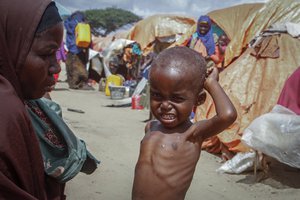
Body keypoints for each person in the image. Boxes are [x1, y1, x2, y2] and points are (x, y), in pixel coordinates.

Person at [0, 1, 93, 199]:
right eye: (46, 54)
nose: (57, 68)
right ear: (9, 46)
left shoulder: (27, 102)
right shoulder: (7, 112)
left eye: (56, 54)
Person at [132, 46, 237, 200]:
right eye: (157, 95)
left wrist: (212, 83)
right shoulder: (151, 127)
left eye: (177, 99)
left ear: (199, 99)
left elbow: (227, 115)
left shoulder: (193, 134)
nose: (165, 105)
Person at [64, 11, 94, 90]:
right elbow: (87, 38)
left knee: (70, 67)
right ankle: (81, 84)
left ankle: (72, 84)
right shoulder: (80, 25)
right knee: (79, 68)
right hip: (79, 49)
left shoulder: (69, 24)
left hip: (70, 49)